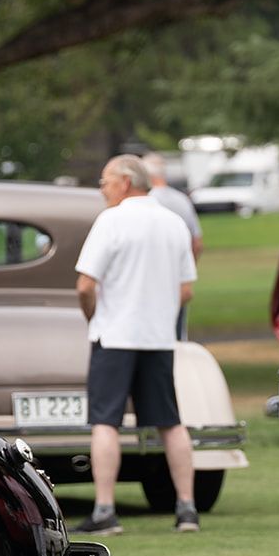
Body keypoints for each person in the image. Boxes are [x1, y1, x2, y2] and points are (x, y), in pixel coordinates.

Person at [73, 155, 200, 535]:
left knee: (105, 421)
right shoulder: (173, 222)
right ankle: (187, 509)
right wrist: (160, 316)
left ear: (125, 182)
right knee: (171, 422)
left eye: (105, 181)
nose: (102, 189)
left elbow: (84, 285)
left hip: (115, 336)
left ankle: (105, 509)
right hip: (158, 338)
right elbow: (186, 289)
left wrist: (92, 316)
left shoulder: (111, 221)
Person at [141, 153, 202, 340]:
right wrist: (186, 269)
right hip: (177, 278)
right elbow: (197, 243)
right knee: (177, 336)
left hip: (148, 279)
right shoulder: (182, 200)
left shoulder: (145, 201)